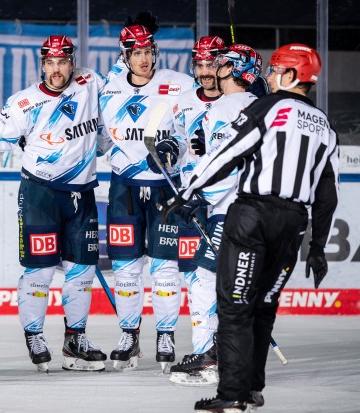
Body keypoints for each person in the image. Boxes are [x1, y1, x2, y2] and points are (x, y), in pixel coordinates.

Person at [164, 44, 337, 412]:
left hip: (252, 216)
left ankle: (231, 395)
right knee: (263, 307)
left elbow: (227, 155)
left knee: (234, 306)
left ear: (292, 76)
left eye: (276, 70)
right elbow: (327, 195)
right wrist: (318, 247)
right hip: (293, 225)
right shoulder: (325, 125)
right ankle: (253, 390)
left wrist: (188, 192)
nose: (269, 76)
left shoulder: (267, 107)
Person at [0, 35, 107, 372]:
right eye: (50, 63)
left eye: (63, 61)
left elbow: (122, 96)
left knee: (82, 272)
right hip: (40, 194)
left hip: (81, 194)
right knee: (39, 269)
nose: (57, 69)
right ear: (42, 64)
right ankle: (34, 334)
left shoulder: (90, 82)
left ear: (72, 62)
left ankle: (75, 339)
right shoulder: (24, 102)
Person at [97, 13, 195, 372]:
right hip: (123, 186)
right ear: (124, 54)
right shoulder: (107, 84)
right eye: (136, 51)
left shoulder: (180, 84)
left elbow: (191, 130)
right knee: (125, 269)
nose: (143, 58)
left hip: (165, 188)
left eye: (148, 50)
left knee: (166, 269)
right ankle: (129, 334)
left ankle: (166, 334)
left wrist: (174, 148)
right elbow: (93, 131)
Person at [168, 44, 262, 387]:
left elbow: (226, 164)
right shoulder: (257, 105)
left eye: (221, 64)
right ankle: (238, 358)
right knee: (237, 284)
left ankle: (209, 357)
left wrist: (193, 195)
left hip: (229, 209)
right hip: (255, 210)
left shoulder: (224, 107)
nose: (214, 70)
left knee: (206, 279)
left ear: (232, 71)